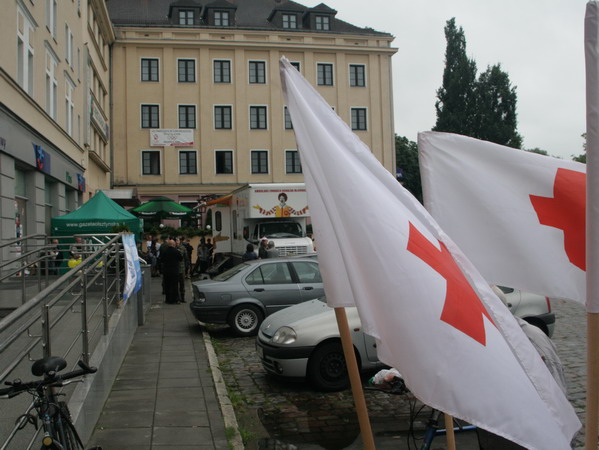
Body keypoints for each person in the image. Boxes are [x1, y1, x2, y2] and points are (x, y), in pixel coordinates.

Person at [160, 239, 182, 304]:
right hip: (175, 271)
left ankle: (168, 299)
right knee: (175, 285)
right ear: (173, 244)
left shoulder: (165, 251)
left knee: (167, 285)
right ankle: (175, 299)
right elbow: (181, 258)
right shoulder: (176, 251)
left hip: (166, 271)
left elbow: (162, 260)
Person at [176, 237, 188, 302]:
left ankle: (182, 297)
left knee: (182, 284)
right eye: (176, 241)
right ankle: (178, 297)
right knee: (176, 284)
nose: (177, 242)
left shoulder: (183, 248)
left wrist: (186, 266)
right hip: (176, 268)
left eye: (177, 241)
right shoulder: (174, 248)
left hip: (181, 268)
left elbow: (186, 257)